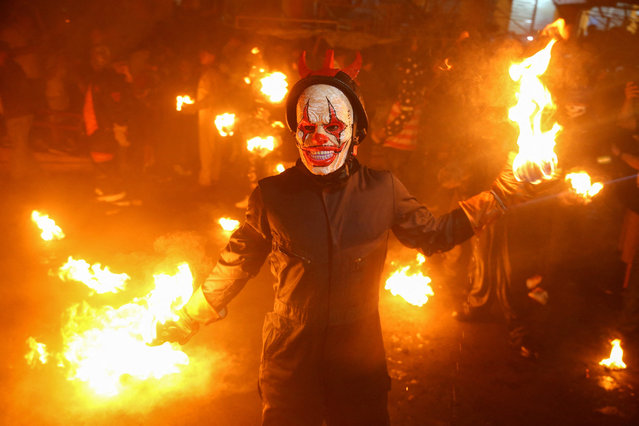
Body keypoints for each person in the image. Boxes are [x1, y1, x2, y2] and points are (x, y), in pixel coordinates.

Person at [152, 50, 549, 425]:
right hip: (290, 350)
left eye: (334, 126)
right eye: (307, 127)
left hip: (358, 353)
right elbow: (235, 263)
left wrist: (502, 192)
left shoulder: (383, 189)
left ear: (356, 133)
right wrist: (188, 319)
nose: (320, 138)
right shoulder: (272, 196)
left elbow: (435, 235)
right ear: (294, 132)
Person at [0, 40, 39, 179]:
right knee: (21, 145)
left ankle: (17, 178)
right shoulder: (9, 68)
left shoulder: (10, 70)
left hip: (19, 113)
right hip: (18, 112)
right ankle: (37, 173)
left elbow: (18, 91)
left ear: (3, 54)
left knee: (18, 146)